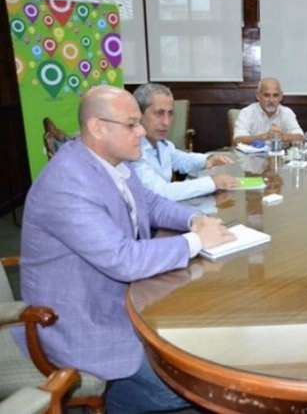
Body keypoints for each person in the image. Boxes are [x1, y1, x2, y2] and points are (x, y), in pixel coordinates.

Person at [13, 85, 237, 413]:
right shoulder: (67, 183)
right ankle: (106, 402)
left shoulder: (112, 162)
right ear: (97, 128)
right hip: (79, 319)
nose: (142, 132)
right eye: (132, 124)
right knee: (188, 387)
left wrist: (194, 220)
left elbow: (151, 202)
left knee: (200, 348)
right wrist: (196, 241)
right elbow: (123, 259)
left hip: (122, 298)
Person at [130, 83, 239, 202]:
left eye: (170, 113)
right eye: (159, 113)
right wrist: (212, 182)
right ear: (138, 115)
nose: (166, 122)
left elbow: (180, 159)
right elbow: (160, 192)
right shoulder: (132, 150)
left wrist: (207, 160)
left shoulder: (161, 144)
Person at [232, 77, 304, 145]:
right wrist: (264, 137)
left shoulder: (287, 113)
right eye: (266, 95)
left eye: (275, 95)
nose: (271, 100)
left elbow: (300, 137)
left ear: (281, 96)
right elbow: (237, 139)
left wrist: (282, 137)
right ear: (258, 95)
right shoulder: (247, 113)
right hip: (253, 154)